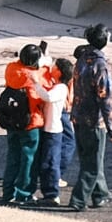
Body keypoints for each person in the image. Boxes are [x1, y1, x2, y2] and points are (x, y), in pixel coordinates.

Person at [0, 42, 52, 205]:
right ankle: (24, 193)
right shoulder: (35, 75)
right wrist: (46, 63)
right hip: (30, 122)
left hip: (11, 120)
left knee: (13, 156)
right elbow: (47, 85)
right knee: (29, 159)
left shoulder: (11, 69)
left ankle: (8, 192)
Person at [70, 23, 112, 209]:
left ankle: (101, 193)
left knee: (89, 158)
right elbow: (105, 100)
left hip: (77, 116)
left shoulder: (82, 58)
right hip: (93, 120)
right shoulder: (101, 65)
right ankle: (79, 200)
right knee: (92, 163)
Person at [34, 58, 76, 204]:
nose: (51, 67)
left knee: (50, 162)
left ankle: (52, 195)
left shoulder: (61, 88)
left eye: (54, 66)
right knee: (47, 161)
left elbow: (48, 97)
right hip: (49, 128)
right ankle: (49, 193)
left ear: (59, 71)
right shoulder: (58, 86)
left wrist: (35, 84)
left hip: (53, 130)